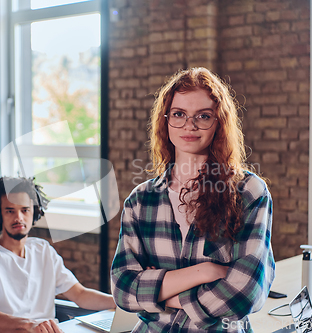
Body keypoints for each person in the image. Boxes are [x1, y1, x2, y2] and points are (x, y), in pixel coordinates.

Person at [111, 67, 275, 332]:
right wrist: (205, 273)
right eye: (179, 114)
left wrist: (160, 292)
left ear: (219, 122)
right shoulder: (140, 201)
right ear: (165, 121)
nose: (190, 125)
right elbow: (122, 288)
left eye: (203, 116)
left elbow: (246, 293)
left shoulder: (249, 192)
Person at [0, 176, 116, 333]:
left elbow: (80, 294)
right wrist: (31, 325)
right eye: (10, 211)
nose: (19, 218)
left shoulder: (43, 250)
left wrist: (120, 303)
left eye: (25, 210)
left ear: (34, 212)